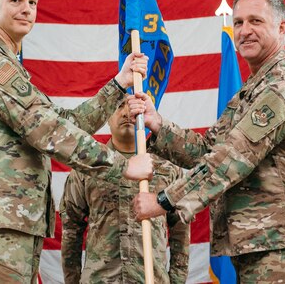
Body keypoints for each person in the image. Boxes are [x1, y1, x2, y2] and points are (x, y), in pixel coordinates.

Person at [0, 0, 153, 283]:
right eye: (16, 0)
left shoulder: (9, 66)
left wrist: (119, 84)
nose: (27, 9)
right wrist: (122, 166)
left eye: (33, 2)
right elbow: (47, 131)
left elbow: (62, 124)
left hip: (8, 228)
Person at [129, 0, 285, 283]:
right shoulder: (252, 92)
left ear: (281, 27)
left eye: (256, 21)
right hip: (263, 246)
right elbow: (209, 151)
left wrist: (163, 201)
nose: (244, 30)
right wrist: (157, 123)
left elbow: (232, 158)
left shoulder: (284, 87)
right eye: (238, 22)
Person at [59, 97, 190, 284]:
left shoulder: (168, 168)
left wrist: (177, 280)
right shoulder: (88, 166)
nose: (127, 113)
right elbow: (71, 229)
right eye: (119, 106)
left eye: (133, 106)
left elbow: (180, 229)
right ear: (107, 116)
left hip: (151, 279)